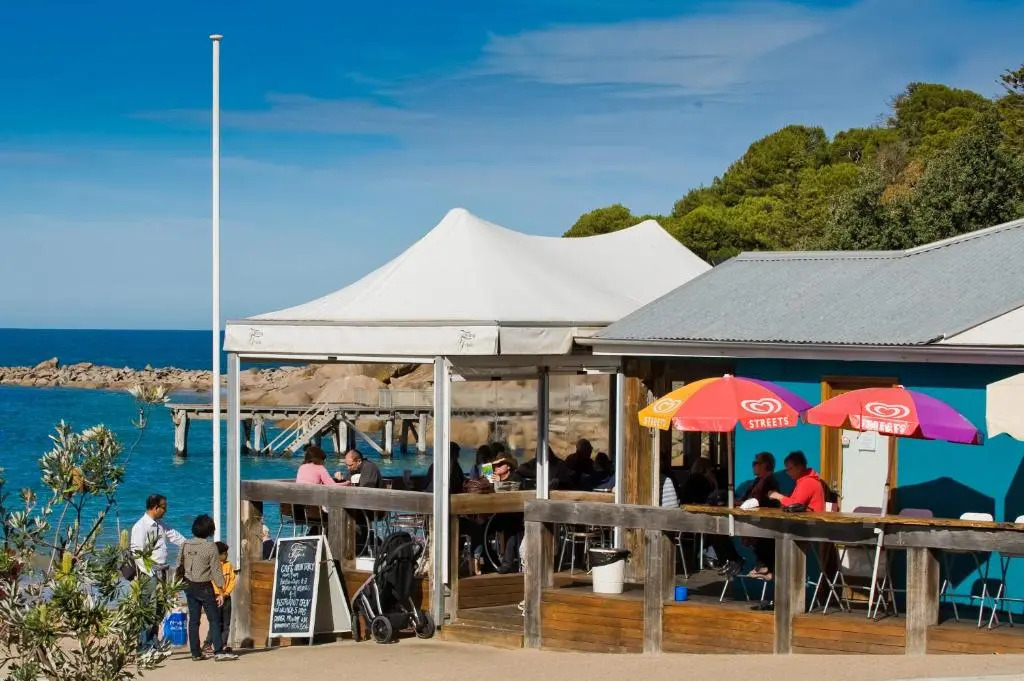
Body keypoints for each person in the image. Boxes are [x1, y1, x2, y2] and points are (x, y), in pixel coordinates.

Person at [178, 514, 237, 661]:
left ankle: (195, 653)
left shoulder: (185, 544)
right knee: (214, 619)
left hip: (188, 584)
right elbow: (216, 571)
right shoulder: (210, 546)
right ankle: (218, 651)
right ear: (209, 530)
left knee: (194, 620)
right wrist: (221, 591)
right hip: (204, 585)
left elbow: (179, 564)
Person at [130, 493, 185, 650]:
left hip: (163, 570)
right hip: (149, 572)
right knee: (149, 608)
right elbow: (136, 552)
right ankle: (144, 644)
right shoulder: (141, 526)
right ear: (155, 508)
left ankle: (153, 640)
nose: (165, 511)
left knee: (160, 608)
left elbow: (174, 536)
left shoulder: (160, 524)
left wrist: (190, 545)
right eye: (163, 508)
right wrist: (149, 573)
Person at [488, 455, 525, 573]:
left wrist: (500, 483)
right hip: (498, 513)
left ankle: (507, 563)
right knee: (483, 529)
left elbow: (513, 494)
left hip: (515, 514)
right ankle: (490, 561)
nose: (496, 467)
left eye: (500, 465)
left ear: (508, 467)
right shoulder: (493, 478)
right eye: (495, 466)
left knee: (512, 528)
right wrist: (488, 481)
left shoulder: (515, 477)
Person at [202, 542, 235, 655]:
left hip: (226, 597)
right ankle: (208, 644)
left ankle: (223, 644)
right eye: (224, 553)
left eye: (226, 553)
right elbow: (212, 582)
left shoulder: (228, 565)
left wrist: (226, 593)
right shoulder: (212, 567)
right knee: (216, 622)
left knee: (226, 623)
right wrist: (218, 594)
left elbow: (232, 580)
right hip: (215, 597)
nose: (226, 555)